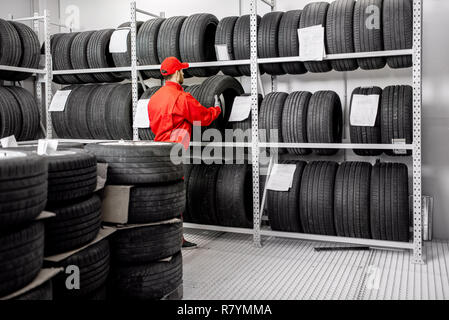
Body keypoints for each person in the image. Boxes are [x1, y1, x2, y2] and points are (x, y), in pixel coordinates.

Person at [147, 56, 222, 249]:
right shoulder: (181, 98)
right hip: (174, 152)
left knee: (162, 195)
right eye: (182, 70)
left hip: (157, 150)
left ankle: (161, 237)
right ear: (177, 73)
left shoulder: (153, 99)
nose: (183, 73)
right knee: (175, 195)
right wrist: (217, 110)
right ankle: (177, 240)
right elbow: (203, 118)